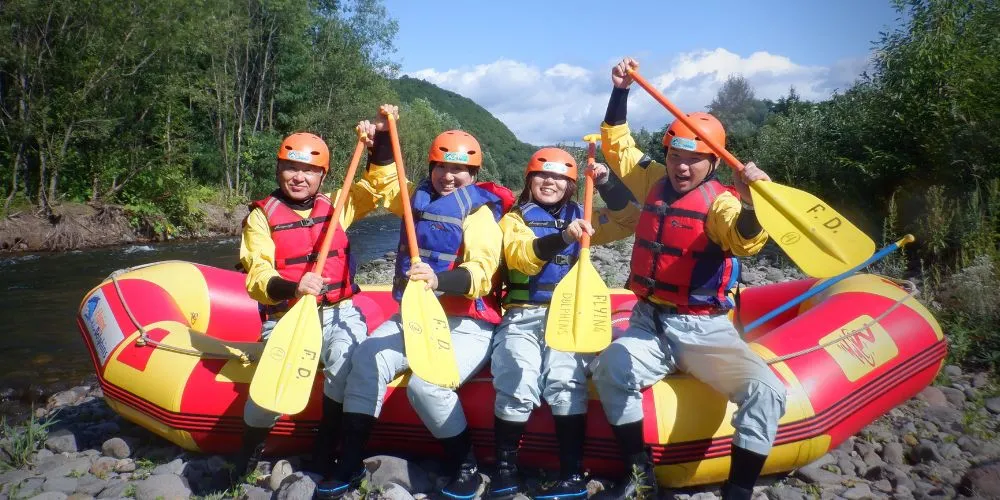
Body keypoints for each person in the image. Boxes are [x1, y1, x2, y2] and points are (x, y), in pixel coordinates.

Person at [589, 57, 788, 500]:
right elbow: (617, 144)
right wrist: (621, 90)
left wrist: (755, 203)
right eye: (676, 157)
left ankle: (737, 492)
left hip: (703, 327)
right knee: (611, 367)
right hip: (647, 321)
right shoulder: (651, 180)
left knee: (767, 390)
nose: (682, 168)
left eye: (694, 160)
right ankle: (640, 478)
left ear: (713, 164)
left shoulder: (723, 205)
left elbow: (743, 241)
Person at [316, 127, 513, 500]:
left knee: (428, 385)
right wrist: (383, 134)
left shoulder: (481, 215)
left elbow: (481, 274)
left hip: (466, 323)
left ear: (473, 175)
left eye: (458, 171)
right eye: (440, 167)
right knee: (365, 360)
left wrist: (439, 279)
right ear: (431, 167)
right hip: (415, 317)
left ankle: (465, 465)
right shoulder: (414, 200)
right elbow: (387, 179)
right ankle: (351, 460)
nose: (448, 176)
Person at [236, 108, 403, 481]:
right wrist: (292, 286)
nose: (299, 177)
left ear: (322, 175)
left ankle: (325, 450)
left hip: (338, 311)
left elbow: (376, 187)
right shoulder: (261, 217)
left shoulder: (338, 204)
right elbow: (258, 275)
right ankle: (245, 455)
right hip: (288, 314)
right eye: (291, 168)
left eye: (309, 171)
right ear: (279, 170)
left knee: (346, 363)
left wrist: (378, 140)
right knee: (269, 390)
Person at [489, 147, 637, 500]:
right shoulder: (514, 220)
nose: (550, 182)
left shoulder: (583, 215)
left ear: (571, 185)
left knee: (564, 379)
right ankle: (505, 469)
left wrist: (605, 183)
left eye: (559, 177)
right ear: (530, 179)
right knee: (518, 375)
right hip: (523, 315)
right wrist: (564, 237)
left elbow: (628, 220)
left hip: (570, 315)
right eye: (542, 175)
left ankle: (571, 474)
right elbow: (522, 259)